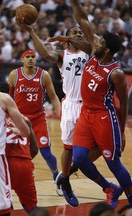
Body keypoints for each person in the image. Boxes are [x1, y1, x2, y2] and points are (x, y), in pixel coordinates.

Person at [15, 20, 101, 207]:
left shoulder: (89, 52)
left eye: (80, 32)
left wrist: (79, 33)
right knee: (68, 149)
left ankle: (66, 173)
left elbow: (95, 42)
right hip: (71, 104)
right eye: (74, 32)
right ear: (67, 38)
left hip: (89, 106)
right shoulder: (62, 55)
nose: (79, 34)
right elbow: (45, 53)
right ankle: (67, 184)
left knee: (100, 147)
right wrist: (31, 31)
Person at [68, 0, 132, 209]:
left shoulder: (115, 73)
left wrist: (123, 131)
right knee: (79, 158)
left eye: (99, 44)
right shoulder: (95, 53)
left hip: (104, 117)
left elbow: (124, 103)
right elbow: (82, 19)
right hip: (86, 114)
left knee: (113, 163)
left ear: (107, 50)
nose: (94, 44)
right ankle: (109, 188)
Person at [7, 49, 61, 194]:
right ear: (22, 60)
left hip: (38, 119)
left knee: (46, 153)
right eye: (27, 57)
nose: (30, 59)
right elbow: (10, 98)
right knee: (19, 152)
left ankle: (57, 176)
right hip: (20, 119)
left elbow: (54, 96)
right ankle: (23, 173)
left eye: (33, 57)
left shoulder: (44, 75)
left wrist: (60, 113)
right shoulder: (14, 75)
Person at [0, 82, 39, 214]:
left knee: (1, 203)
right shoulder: (24, 119)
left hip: (5, 164)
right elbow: (35, 149)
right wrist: (25, 162)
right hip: (24, 164)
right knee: (32, 208)